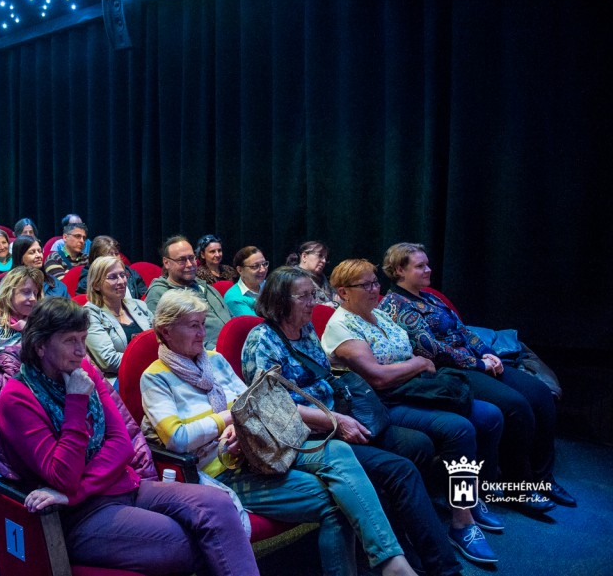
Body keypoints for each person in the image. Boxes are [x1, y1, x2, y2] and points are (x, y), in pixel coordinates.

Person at [142, 290, 418, 576]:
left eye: (202, 323)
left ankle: (391, 559)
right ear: (166, 331)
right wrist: (232, 418)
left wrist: (239, 424)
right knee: (335, 504)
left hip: (259, 450)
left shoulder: (215, 359)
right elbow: (179, 438)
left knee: (338, 450)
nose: (202, 333)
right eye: (192, 326)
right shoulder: (155, 377)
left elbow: (253, 403)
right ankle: (390, 562)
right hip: (218, 472)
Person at [0, 297, 259, 575]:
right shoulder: (17, 398)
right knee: (181, 541)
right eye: (70, 341)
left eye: (83, 339)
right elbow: (63, 476)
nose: (81, 351)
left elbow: (122, 445)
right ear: (40, 346)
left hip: (122, 487)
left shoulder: (82, 371)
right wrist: (76, 402)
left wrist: (76, 492)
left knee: (218, 505)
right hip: (79, 515)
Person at [240, 268, 474, 570]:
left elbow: (326, 379)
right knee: (400, 470)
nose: (313, 302)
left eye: (313, 294)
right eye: (304, 297)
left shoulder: (305, 329)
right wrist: (336, 421)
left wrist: (342, 414)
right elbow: (272, 407)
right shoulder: (262, 340)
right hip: (307, 435)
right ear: (280, 300)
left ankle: (411, 536)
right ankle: (439, 565)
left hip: (340, 414)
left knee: (418, 445)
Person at [320, 259, 506, 559]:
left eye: (375, 282)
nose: (375, 289)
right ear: (343, 292)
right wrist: (418, 363)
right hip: (382, 403)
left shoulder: (379, 315)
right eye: (365, 285)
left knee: (489, 415)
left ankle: (469, 497)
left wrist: (414, 365)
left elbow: (405, 358)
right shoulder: (340, 326)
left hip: (413, 391)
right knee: (459, 428)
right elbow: (378, 378)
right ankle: (462, 521)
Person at [379, 243, 573, 509]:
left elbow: (464, 331)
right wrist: (479, 364)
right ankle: (520, 488)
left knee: (540, 394)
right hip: (450, 371)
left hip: (474, 361)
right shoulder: (395, 305)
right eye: (420, 266)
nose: (429, 269)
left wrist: (488, 353)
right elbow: (431, 350)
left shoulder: (430, 298)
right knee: (516, 406)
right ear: (400, 270)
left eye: (427, 264)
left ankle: (543, 479)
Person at [145, 235, 232, 350]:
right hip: (205, 354)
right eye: (182, 260)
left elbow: (231, 319)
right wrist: (215, 350)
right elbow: (169, 340)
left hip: (232, 348)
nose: (190, 264)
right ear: (166, 263)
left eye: (191, 258)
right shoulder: (160, 294)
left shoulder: (205, 287)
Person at [84, 255, 153, 379]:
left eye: (123, 275)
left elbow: (161, 340)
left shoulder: (139, 305)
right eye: (113, 277)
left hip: (151, 373)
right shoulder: (90, 313)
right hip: (118, 379)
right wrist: (149, 358)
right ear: (96, 285)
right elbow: (108, 361)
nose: (121, 282)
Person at [0, 266, 43, 381]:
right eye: (26, 292)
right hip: (6, 386)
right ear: (9, 294)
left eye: (35, 294)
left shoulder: (41, 327)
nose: (33, 298)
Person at [75, 235, 147, 299]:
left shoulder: (131, 273)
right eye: (110, 255)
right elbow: (83, 301)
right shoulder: (89, 277)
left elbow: (144, 297)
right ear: (97, 258)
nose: (115, 258)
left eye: (116, 253)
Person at [223, 246, 268, 317]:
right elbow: (254, 323)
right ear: (240, 270)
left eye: (264, 264)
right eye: (255, 266)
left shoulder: (271, 286)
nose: (263, 270)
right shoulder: (234, 297)